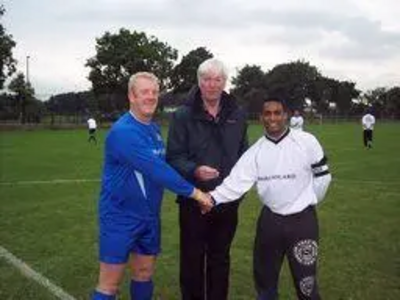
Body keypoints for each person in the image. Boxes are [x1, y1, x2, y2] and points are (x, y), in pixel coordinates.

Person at [91, 72, 213, 300]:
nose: (150, 97)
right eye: (144, 92)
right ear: (132, 96)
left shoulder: (154, 130)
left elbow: (164, 166)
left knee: (144, 274)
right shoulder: (123, 132)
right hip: (120, 218)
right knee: (109, 285)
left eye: (154, 92)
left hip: (148, 217)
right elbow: (156, 170)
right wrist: (197, 194)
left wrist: (195, 170)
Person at [209, 96, 332, 299]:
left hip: (303, 222)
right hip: (270, 222)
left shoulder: (306, 141)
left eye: (277, 113)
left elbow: (323, 178)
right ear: (261, 117)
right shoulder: (256, 151)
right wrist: (211, 199)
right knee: (265, 281)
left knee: (306, 283)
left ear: (286, 115)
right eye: (267, 113)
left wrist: (306, 202)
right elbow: (235, 183)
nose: (272, 118)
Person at [166, 58, 248, 300]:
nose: (212, 84)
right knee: (191, 260)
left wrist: (237, 193)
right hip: (193, 201)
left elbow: (245, 158)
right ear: (199, 82)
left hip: (227, 201)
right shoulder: (183, 115)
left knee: (220, 259)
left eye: (217, 79)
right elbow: (174, 157)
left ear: (225, 82)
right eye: (206, 79)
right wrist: (194, 170)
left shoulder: (238, 114)